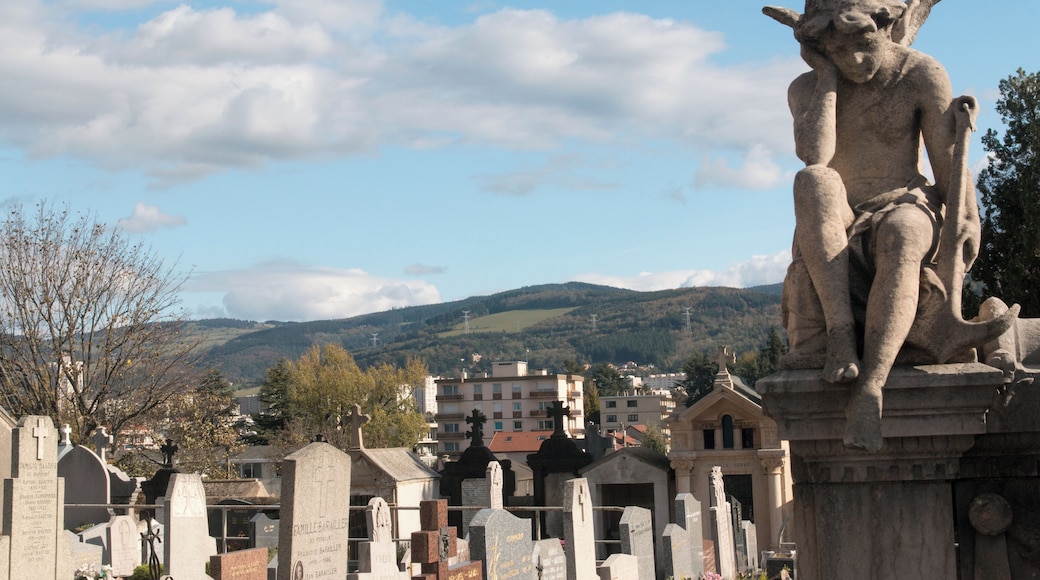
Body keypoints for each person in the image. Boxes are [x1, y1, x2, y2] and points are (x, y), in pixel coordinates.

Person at [778, 0, 976, 451]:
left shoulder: (920, 74)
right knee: (813, 180)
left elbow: (948, 167)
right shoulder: (805, 87)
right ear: (820, 47)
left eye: (864, 45)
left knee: (903, 234)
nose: (855, 61)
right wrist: (825, 79)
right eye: (838, 51)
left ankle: (872, 387)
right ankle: (841, 337)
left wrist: (967, 219)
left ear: (887, 27)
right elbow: (815, 154)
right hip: (842, 214)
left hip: (905, 200)